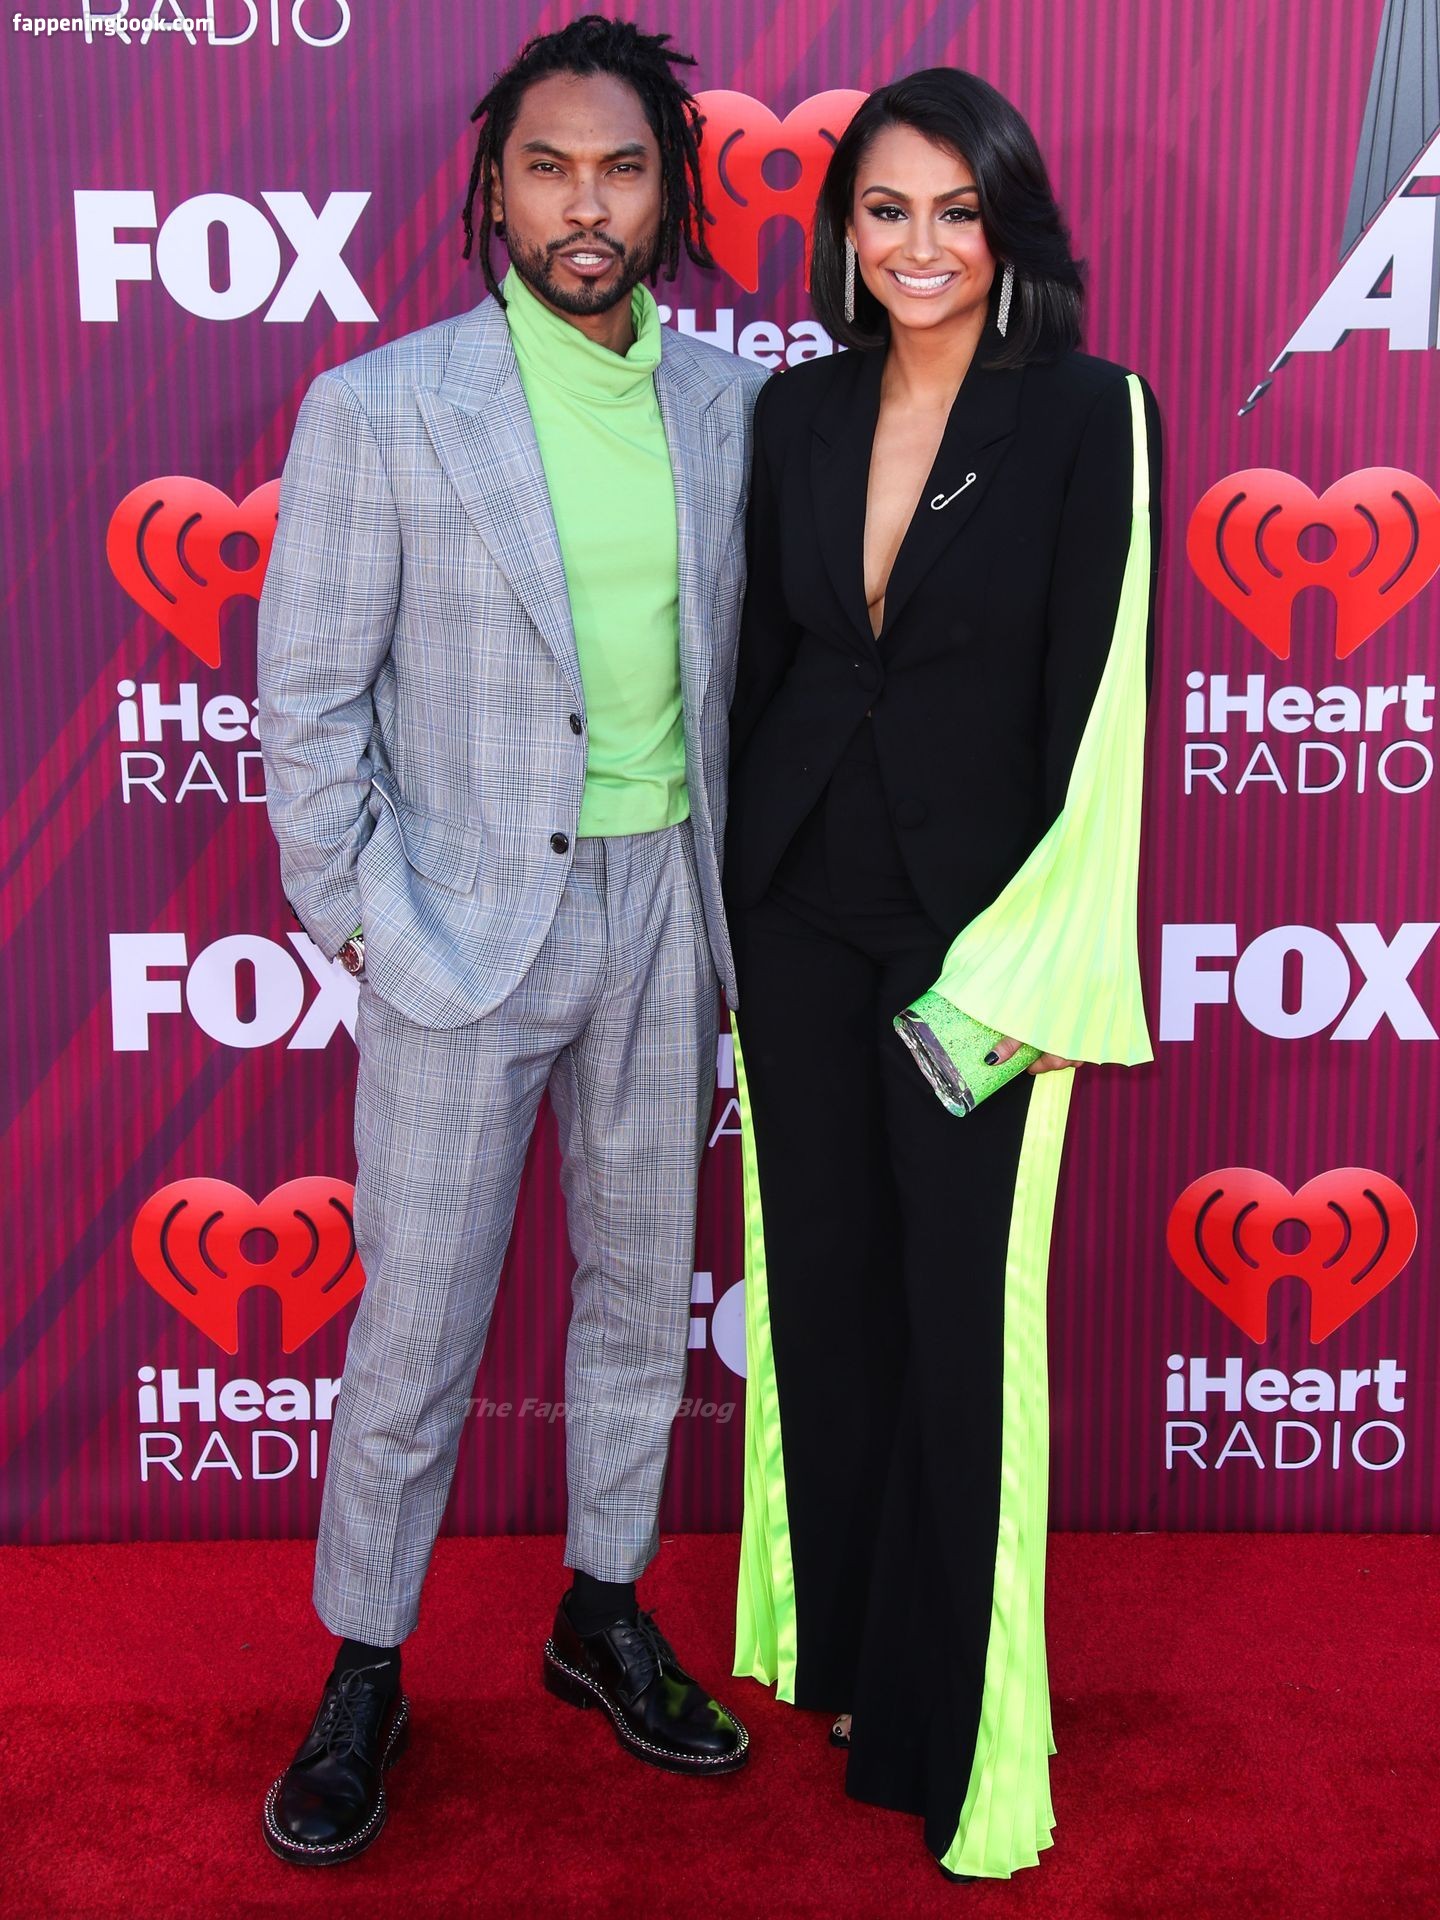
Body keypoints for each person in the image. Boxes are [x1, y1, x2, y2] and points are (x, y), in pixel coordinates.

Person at [255, 15, 766, 1866]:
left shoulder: (732, 410)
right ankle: (365, 1667)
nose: (585, 205)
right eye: (549, 168)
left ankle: (600, 1610)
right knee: (419, 1321)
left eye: (621, 169)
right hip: (463, 929)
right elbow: (307, 699)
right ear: (493, 189)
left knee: (639, 1293)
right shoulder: (382, 410)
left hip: (667, 916)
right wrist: (363, 922)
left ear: (669, 195)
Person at [723, 68, 1161, 1881]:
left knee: (960, 1321)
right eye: (886, 210)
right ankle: (851, 1661)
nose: (920, 246)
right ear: (845, 231)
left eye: (956, 211)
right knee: (825, 1298)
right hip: (797, 913)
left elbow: (1102, 710)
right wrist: (727, 922)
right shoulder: (798, 412)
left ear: (1010, 224)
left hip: (973, 939)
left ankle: (960, 1729)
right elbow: (768, 666)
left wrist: (1027, 967)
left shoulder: (1090, 414)